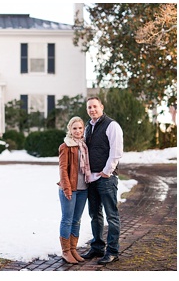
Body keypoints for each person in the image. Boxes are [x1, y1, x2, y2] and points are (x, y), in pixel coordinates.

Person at [82, 97, 123, 264]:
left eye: (95, 106)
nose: (92, 110)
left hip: (106, 179)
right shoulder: (87, 127)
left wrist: (107, 171)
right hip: (91, 179)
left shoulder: (111, 125)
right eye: (89, 107)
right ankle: (97, 247)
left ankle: (112, 251)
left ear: (101, 107)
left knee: (111, 216)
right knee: (95, 215)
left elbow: (116, 151)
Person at [58, 115, 91, 265]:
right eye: (74, 128)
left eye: (80, 128)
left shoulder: (84, 145)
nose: (77, 131)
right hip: (69, 189)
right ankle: (65, 251)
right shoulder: (65, 146)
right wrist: (67, 189)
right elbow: (63, 169)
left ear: (83, 129)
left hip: (83, 189)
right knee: (67, 220)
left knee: (76, 221)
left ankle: (73, 249)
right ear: (70, 130)